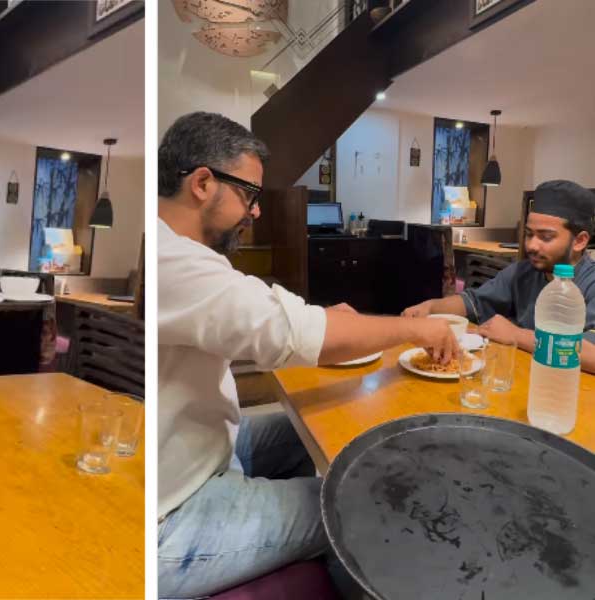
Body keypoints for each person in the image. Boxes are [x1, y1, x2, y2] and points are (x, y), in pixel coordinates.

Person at [156, 111, 459, 598]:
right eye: (249, 194)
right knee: (366, 496)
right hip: (172, 515)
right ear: (203, 183)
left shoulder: (178, 253)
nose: (255, 211)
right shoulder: (174, 262)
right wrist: (413, 328)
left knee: (320, 421)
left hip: (202, 448)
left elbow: (269, 312)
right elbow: (295, 334)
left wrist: (329, 320)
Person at [403, 180, 595, 374]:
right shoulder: (523, 271)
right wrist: (429, 307)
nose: (532, 246)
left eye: (545, 237)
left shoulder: (590, 282)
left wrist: (516, 335)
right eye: (529, 234)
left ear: (579, 241)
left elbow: (591, 354)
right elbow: (474, 302)